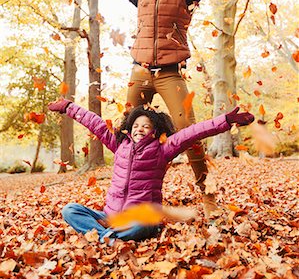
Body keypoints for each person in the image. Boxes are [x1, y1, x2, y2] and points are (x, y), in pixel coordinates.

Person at [55, 0, 289, 218]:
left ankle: (206, 194)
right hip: (138, 73)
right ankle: (123, 198)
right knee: (125, 134)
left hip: (169, 74)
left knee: (187, 131)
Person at [48, 98, 254, 242]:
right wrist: (68, 107)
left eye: (146, 126)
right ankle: (109, 237)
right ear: (130, 127)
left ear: (155, 131)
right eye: (136, 125)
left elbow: (192, 133)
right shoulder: (120, 145)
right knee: (70, 210)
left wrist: (225, 122)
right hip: (110, 216)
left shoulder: (162, 150)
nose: (139, 129)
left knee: (145, 226)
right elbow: (96, 124)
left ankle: (106, 236)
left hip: (140, 218)